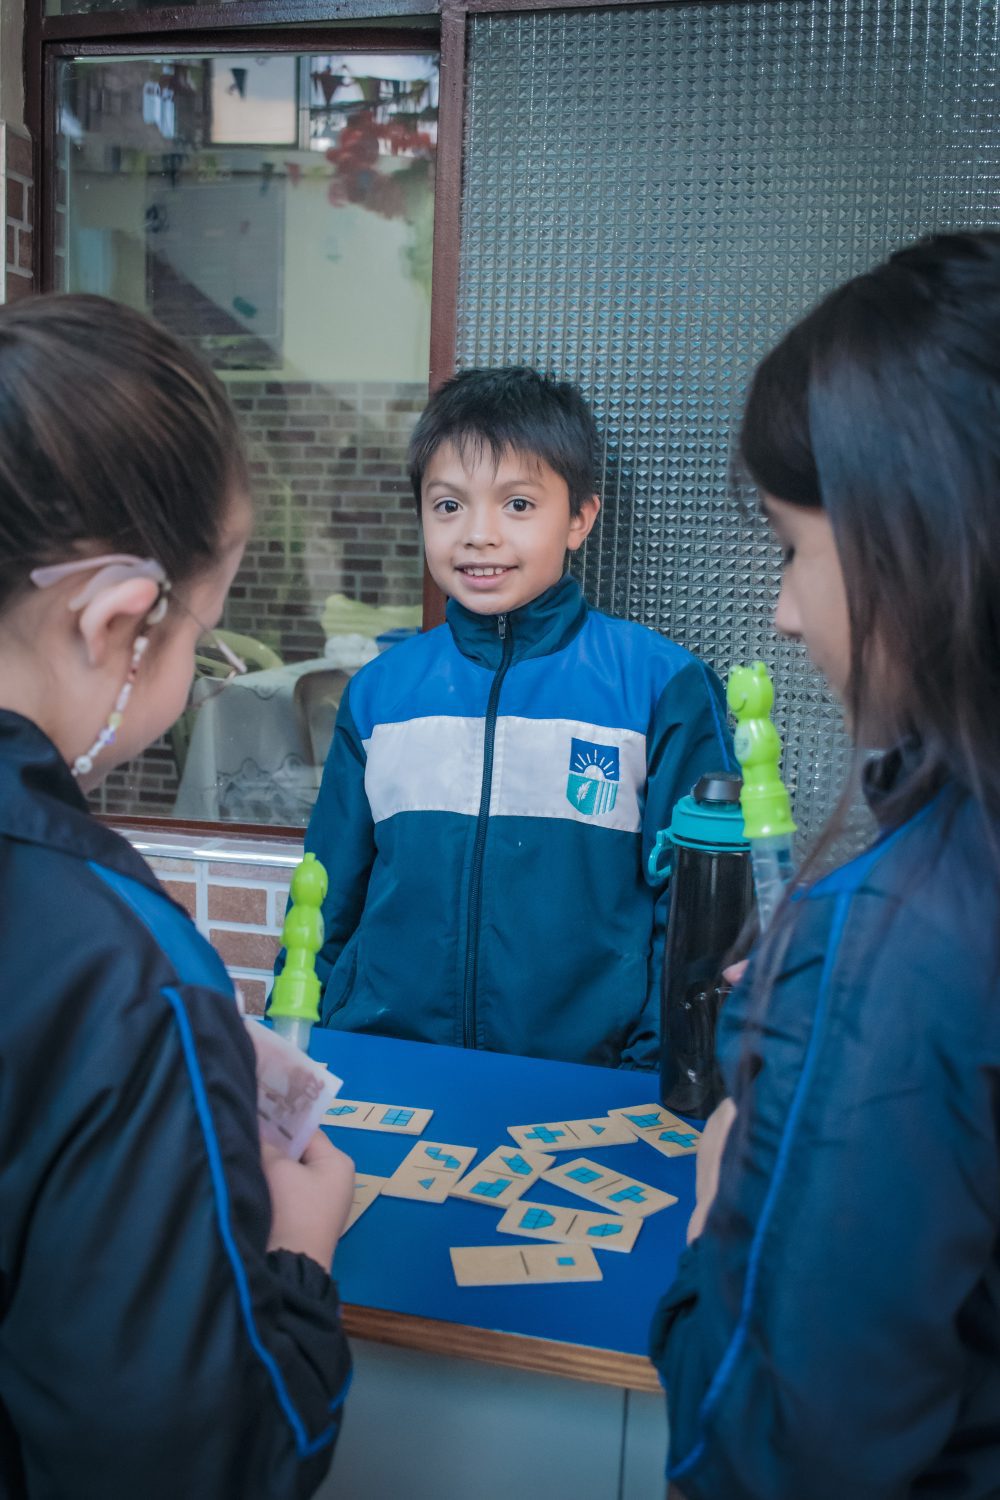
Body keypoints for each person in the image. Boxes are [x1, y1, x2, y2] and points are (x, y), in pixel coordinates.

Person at [652, 231, 1000, 1498]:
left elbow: (768, 1453)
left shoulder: (890, 939)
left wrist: (721, 1204)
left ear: (928, 541)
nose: (785, 612)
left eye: (792, 548)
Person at [0, 294, 354, 1499]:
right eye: (204, 630)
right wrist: (297, 1257)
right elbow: (190, 1459)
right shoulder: (122, 970)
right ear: (119, 618)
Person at [292, 366, 734, 1068]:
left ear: (580, 518)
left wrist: (655, 1071)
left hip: (587, 1080)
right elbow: (325, 894)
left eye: (518, 504)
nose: (479, 535)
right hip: (386, 1065)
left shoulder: (660, 686)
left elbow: (694, 912)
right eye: (448, 505)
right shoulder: (380, 693)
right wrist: (296, 1046)